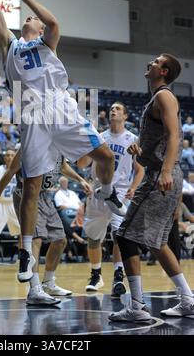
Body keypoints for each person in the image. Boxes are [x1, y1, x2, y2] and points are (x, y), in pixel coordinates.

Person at [0, 0, 119, 283]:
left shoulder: (48, 43)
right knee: (30, 187)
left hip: (60, 108)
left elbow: (55, 22)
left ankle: (106, 192)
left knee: (104, 156)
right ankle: (25, 254)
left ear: (39, 26)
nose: (29, 20)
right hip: (31, 116)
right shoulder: (11, 47)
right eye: (29, 18)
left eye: (33, 19)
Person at [108, 54, 194, 322]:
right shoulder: (158, 97)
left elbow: (174, 135)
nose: (150, 63)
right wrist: (141, 152)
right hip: (161, 172)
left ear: (164, 70)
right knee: (157, 242)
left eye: (156, 61)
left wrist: (166, 170)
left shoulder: (164, 96)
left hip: (161, 176)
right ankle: (188, 300)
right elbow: (160, 142)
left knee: (124, 235)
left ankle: (136, 306)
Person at [0, 149, 92, 305]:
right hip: (27, 196)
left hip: (45, 196)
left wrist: (80, 179)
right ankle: (34, 290)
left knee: (60, 240)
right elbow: (10, 172)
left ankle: (48, 283)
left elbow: (62, 167)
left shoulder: (58, 146)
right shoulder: (29, 145)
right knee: (36, 239)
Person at [78, 102, 144, 297]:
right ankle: (96, 275)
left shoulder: (133, 139)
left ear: (125, 116)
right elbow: (82, 164)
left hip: (121, 192)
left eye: (118, 109)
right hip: (98, 191)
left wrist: (133, 187)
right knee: (93, 237)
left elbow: (140, 170)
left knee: (119, 235)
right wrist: (84, 144)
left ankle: (118, 275)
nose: (113, 111)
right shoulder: (99, 137)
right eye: (112, 109)